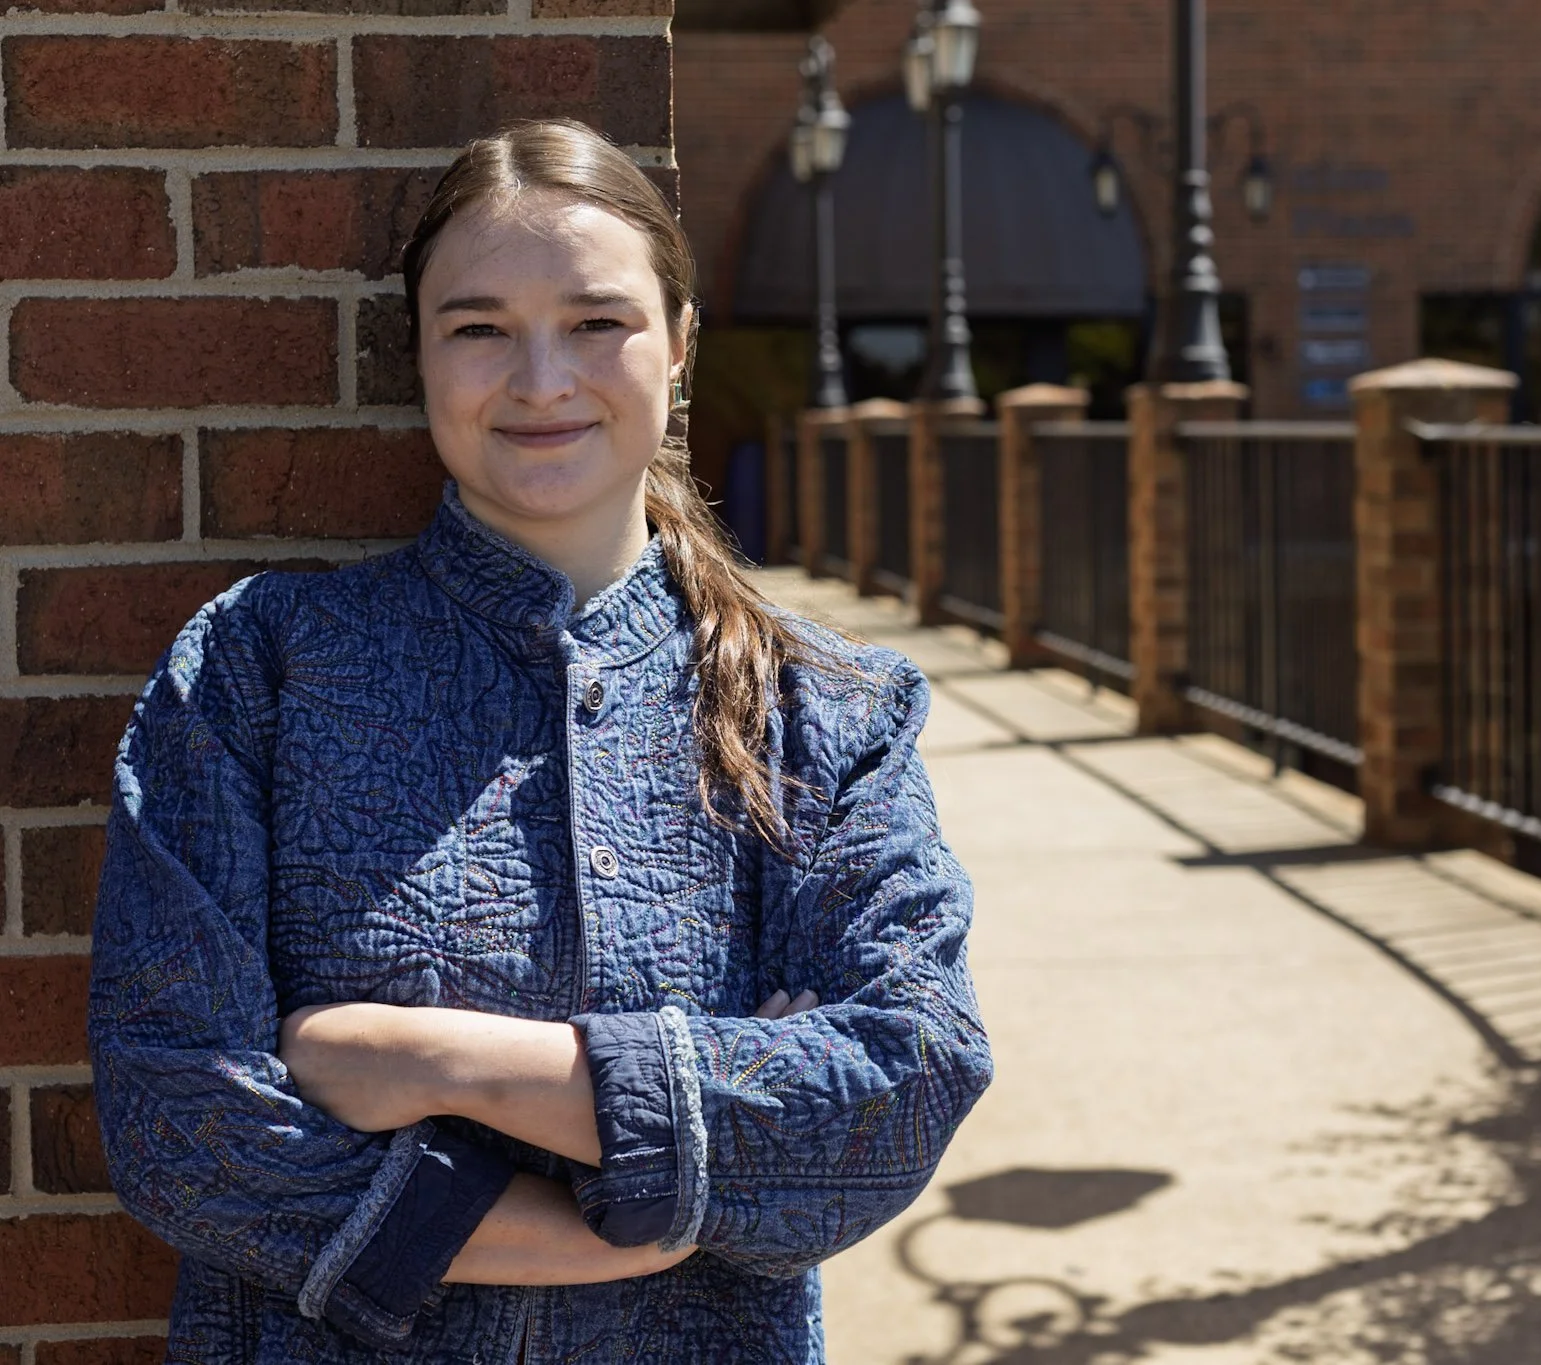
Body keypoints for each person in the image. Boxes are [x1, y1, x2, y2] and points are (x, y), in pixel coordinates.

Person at [88, 118, 993, 1363]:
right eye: (479, 328)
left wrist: (424, 1058)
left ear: (679, 346)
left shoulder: (824, 708)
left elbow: (902, 1084)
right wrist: (636, 1211)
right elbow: (176, 1110)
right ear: (417, 356)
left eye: (595, 323)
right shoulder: (259, 668)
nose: (540, 380)